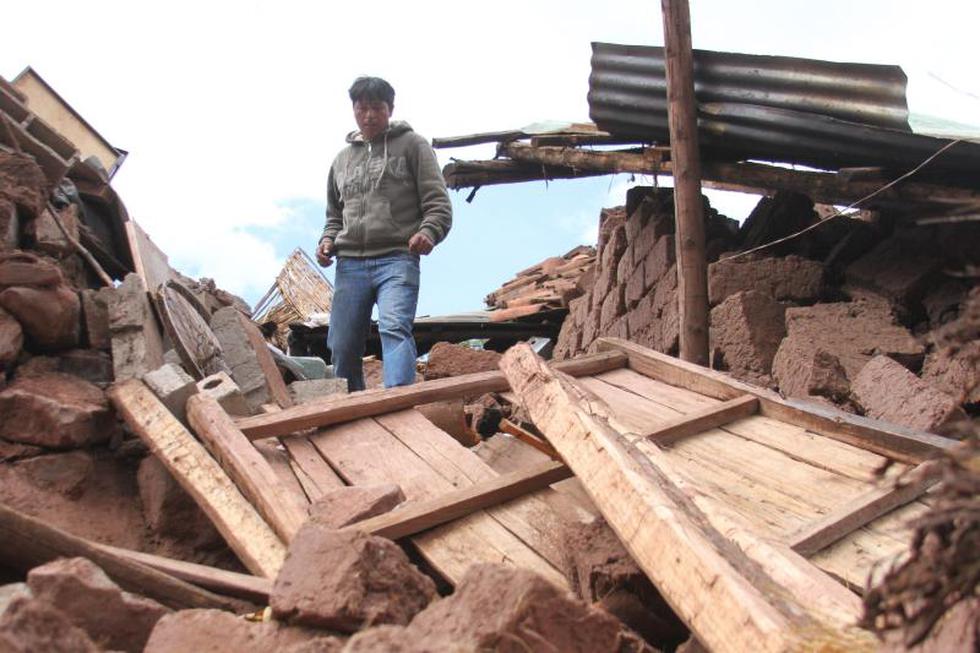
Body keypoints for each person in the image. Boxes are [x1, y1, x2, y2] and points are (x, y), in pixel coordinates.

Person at [316, 76, 452, 391]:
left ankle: (399, 403)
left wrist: (429, 232)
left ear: (390, 109)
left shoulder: (413, 145)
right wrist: (327, 241)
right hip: (350, 264)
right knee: (342, 343)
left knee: (394, 328)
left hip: (397, 258)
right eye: (362, 108)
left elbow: (438, 204)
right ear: (353, 110)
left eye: (377, 108)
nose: (369, 116)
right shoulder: (341, 161)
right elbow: (334, 216)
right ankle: (353, 409)